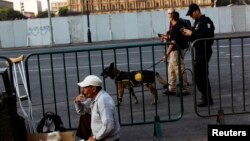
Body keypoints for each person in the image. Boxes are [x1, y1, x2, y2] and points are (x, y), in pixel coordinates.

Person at [182, 3, 215, 107]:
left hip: (205, 50)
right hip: (199, 50)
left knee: (199, 75)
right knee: (202, 75)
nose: (191, 16)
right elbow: (195, 37)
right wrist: (188, 34)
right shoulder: (197, 22)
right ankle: (206, 97)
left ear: (197, 11)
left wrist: (192, 34)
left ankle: (207, 98)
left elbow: (207, 35)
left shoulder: (206, 21)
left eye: (191, 14)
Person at [75, 75, 120, 141]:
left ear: (93, 89)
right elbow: (82, 111)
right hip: (99, 137)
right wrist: (77, 102)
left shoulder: (103, 100)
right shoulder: (93, 98)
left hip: (106, 139)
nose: (82, 91)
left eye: (84, 88)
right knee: (85, 116)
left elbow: (109, 125)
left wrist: (95, 138)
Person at [161, 10, 189, 97]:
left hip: (177, 51)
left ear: (172, 17)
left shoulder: (176, 27)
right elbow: (173, 38)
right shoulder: (177, 26)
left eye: (169, 15)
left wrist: (166, 54)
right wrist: (167, 37)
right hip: (176, 51)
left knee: (179, 70)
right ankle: (172, 88)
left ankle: (184, 89)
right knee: (171, 70)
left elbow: (173, 42)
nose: (168, 17)